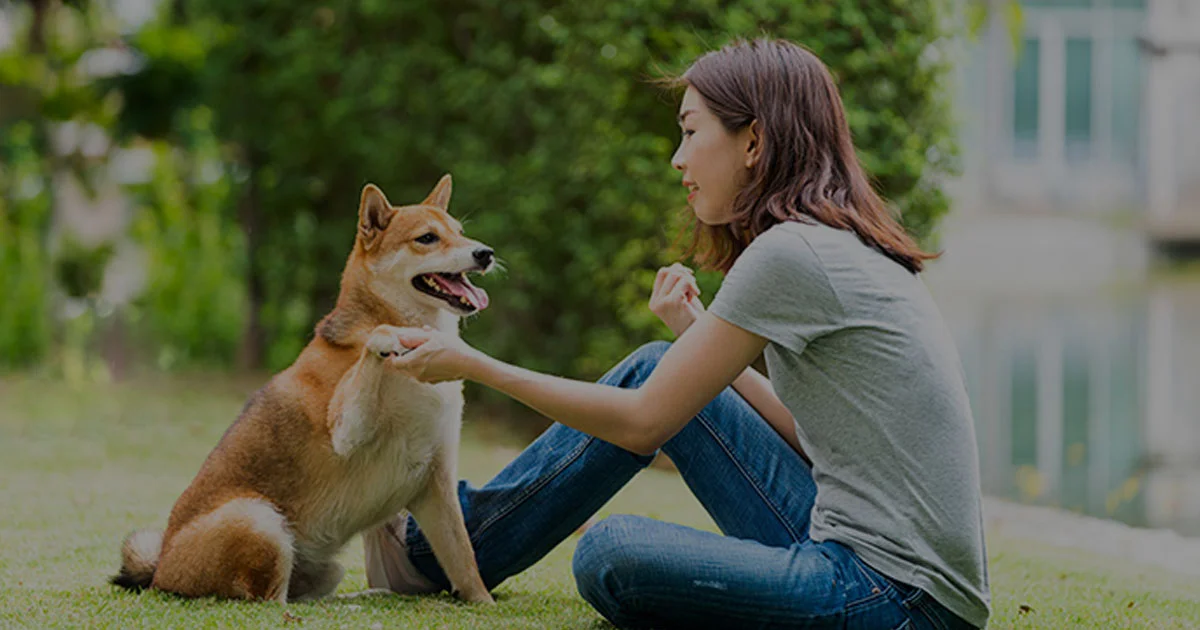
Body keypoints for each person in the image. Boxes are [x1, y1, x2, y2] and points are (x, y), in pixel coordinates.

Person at [363, 38, 991, 629]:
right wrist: (695, 335)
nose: (678, 157)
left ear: (754, 142)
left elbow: (643, 424)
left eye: (691, 132)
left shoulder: (791, 253)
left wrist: (475, 364)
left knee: (614, 551)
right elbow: (813, 438)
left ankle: (426, 553)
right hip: (878, 565)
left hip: (897, 597)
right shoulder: (834, 241)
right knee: (657, 364)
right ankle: (430, 554)